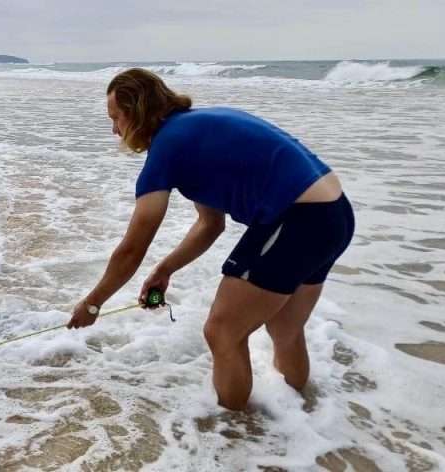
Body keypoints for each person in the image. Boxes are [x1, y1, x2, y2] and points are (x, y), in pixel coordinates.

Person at [66, 68, 354, 411]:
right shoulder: (194, 129)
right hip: (335, 215)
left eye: (116, 118)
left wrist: (94, 303)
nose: (114, 130)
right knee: (285, 329)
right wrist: (165, 269)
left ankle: (235, 434)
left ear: (138, 111)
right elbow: (210, 224)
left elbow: (131, 249)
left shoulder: (167, 149)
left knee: (222, 332)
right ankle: (300, 422)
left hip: (297, 220)